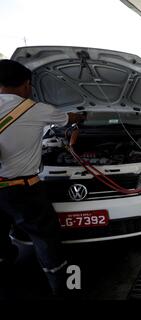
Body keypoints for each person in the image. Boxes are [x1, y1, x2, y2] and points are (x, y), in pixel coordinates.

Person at [0, 59, 85, 297]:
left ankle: (5, 262)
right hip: (23, 190)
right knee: (45, 237)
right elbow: (68, 119)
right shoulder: (36, 109)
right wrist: (81, 117)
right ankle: (62, 287)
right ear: (27, 84)